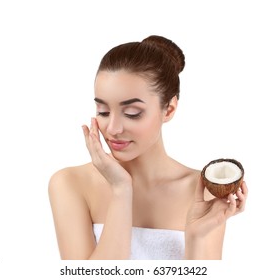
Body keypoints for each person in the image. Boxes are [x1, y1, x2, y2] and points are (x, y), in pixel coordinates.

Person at [48, 35, 248, 260]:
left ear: (169, 110)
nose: (112, 128)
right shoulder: (70, 184)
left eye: (132, 113)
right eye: (103, 111)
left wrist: (197, 237)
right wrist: (121, 190)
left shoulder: (202, 191)